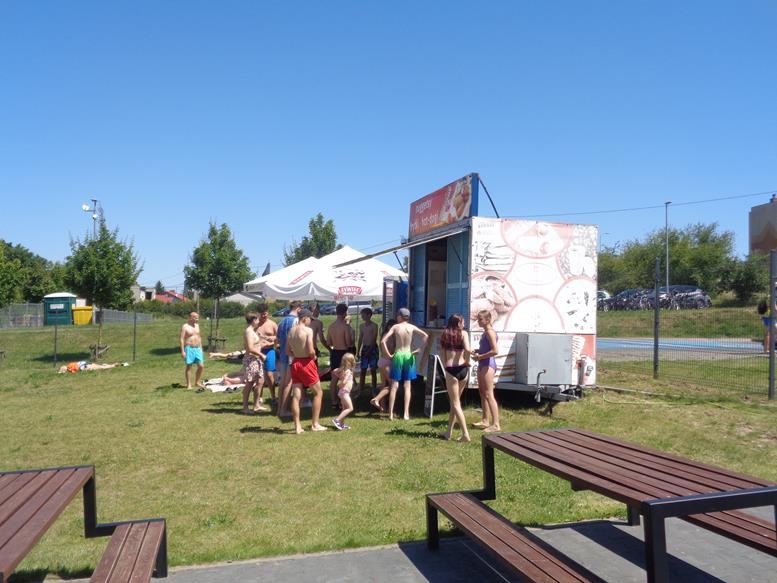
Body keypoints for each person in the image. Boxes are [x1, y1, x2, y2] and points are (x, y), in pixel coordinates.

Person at [379, 307, 429, 420]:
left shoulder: (396, 327)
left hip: (398, 355)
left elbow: (383, 341)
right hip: (408, 355)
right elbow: (426, 336)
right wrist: (419, 349)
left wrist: (388, 355)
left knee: (394, 386)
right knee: (407, 385)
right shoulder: (411, 327)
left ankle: (390, 414)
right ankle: (406, 413)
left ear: (400, 317)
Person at [286, 308, 327, 433]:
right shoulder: (308, 330)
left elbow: (287, 351)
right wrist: (313, 356)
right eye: (310, 319)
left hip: (295, 363)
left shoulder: (291, 331)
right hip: (306, 363)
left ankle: (297, 426)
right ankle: (315, 424)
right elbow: (310, 350)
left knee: (296, 396)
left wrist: (297, 354)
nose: (310, 321)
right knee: (318, 393)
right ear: (305, 318)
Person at [438, 314, 472, 442]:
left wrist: (445, 366)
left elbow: (442, 353)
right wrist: (467, 361)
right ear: (458, 323)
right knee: (455, 402)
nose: (464, 324)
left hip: (451, 370)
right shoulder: (464, 334)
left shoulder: (445, 334)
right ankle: (449, 432)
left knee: (455, 403)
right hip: (463, 369)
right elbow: (467, 349)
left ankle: (465, 434)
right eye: (462, 322)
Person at [471, 309, 500, 432]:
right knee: (482, 393)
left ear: (488, 320)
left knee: (489, 394)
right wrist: (478, 351)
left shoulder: (490, 333)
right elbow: (486, 348)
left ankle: (496, 424)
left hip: (488, 365)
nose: (478, 321)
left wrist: (480, 357)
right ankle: (485, 420)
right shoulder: (485, 332)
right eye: (478, 319)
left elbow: (495, 351)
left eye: (480, 319)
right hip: (482, 363)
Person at [326, 303, 355, 409]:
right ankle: (344, 401)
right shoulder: (345, 327)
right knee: (346, 377)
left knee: (334, 378)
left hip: (335, 353)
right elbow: (348, 343)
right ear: (345, 313)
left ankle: (334, 402)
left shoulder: (331, 326)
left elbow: (329, 342)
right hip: (344, 353)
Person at [276, 301, 302, 417]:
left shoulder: (281, 321)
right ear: (298, 308)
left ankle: (279, 409)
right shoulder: (296, 321)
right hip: (291, 355)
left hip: (282, 354)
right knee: (288, 383)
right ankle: (283, 410)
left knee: (282, 383)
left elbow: (277, 339)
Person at [241, 311, 268, 415]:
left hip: (257, 360)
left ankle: (256, 405)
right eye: (257, 319)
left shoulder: (253, 331)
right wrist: (261, 355)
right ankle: (245, 407)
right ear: (253, 320)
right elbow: (250, 348)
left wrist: (262, 341)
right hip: (251, 360)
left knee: (260, 381)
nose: (259, 321)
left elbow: (255, 344)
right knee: (250, 383)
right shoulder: (248, 331)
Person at [369, 318, 396, 413]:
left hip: (382, 361)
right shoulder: (388, 336)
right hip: (386, 362)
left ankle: (383, 407)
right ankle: (376, 399)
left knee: (384, 384)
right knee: (392, 385)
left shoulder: (385, 335)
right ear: (389, 327)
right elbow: (389, 350)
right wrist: (392, 355)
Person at [256, 304, 278, 403]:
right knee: (258, 374)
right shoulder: (255, 324)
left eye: (265, 314)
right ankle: (259, 397)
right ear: (258, 314)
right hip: (258, 351)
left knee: (269, 374)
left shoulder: (272, 324)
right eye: (262, 314)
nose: (264, 316)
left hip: (269, 351)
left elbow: (278, 337)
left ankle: (273, 396)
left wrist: (272, 339)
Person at [357, 307, 379, 397]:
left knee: (373, 370)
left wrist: (370, 350)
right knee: (363, 370)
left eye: (363, 315)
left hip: (372, 349)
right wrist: (358, 350)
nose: (362, 317)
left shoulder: (374, 325)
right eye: (361, 315)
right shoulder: (361, 326)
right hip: (365, 348)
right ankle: (360, 390)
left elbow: (374, 339)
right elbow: (360, 338)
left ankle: (374, 390)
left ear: (369, 315)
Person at [180, 311, 205, 390]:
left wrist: (201, 348)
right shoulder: (185, 326)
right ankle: (189, 384)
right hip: (189, 348)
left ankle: (197, 382)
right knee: (189, 366)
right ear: (191, 317)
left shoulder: (197, 326)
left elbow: (199, 337)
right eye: (196, 318)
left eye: (198, 318)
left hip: (197, 348)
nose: (197, 319)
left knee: (201, 366)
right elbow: (181, 339)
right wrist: (182, 351)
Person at [332, 353, 356, 430]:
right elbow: (345, 381)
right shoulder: (348, 371)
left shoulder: (343, 370)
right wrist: (341, 384)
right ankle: (337, 420)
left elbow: (334, 371)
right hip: (344, 392)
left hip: (343, 392)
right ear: (351, 362)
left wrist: (339, 374)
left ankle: (342, 424)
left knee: (344, 408)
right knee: (350, 408)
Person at [58, 361, 128, 374]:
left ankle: (121, 364)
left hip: (87, 366)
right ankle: (111, 365)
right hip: (87, 365)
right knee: (102, 367)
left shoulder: (70, 367)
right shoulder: (70, 365)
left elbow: (76, 370)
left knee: (103, 368)